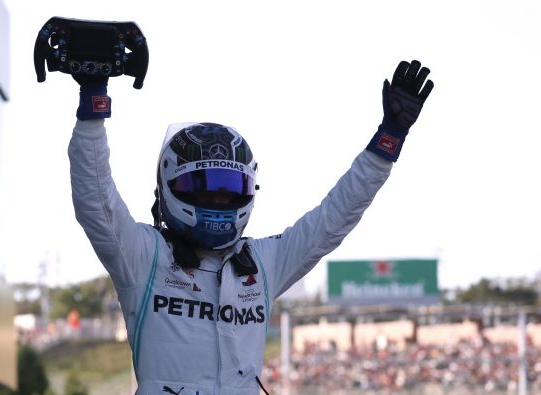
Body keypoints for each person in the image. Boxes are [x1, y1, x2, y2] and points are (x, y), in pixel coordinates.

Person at [68, 59, 434, 394]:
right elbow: (96, 202)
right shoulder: (144, 256)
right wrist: (93, 105)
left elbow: (334, 218)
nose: (220, 202)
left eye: (231, 191)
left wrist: (389, 139)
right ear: (168, 187)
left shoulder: (262, 263)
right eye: (206, 189)